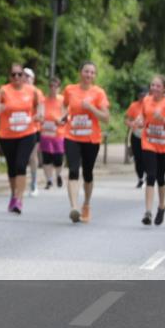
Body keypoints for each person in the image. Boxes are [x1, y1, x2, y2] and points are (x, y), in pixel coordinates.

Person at [61, 62, 110, 223]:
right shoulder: (70, 90)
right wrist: (63, 116)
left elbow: (105, 118)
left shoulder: (98, 93)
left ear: (94, 76)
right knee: (73, 170)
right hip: (72, 135)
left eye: (92, 72)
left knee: (87, 173)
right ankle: (74, 207)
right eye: (86, 71)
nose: (88, 75)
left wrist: (91, 108)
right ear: (80, 72)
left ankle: (86, 204)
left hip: (91, 138)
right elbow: (64, 105)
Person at [0, 63, 45, 214]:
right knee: (11, 167)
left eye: (20, 74)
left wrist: (40, 114)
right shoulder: (4, 90)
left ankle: (19, 199)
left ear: (24, 76)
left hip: (27, 133)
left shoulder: (32, 91)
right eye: (13, 74)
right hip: (7, 135)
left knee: (20, 165)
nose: (17, 77)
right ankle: (13, 194)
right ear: (10, 76)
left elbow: (40, 106)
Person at [133, 75, 165, 226]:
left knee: (160, 176)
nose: (154, 88)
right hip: (148, 143)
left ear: (164, 89)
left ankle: (161, 206)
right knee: (151, 175)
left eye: (158, 86)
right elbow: (142, 116)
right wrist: (139, 121)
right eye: (152, 85)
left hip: (164, 145)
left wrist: (164, 120)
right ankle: (148, 212)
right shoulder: (146, 100)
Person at [40, 76, 66, 190]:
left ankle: (59, 175)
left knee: (58, 158)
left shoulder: (62, 100)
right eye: (51, 86)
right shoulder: (43, 100)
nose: (53, 88)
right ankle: (49, 180)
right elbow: (40, 114)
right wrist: (41, 119)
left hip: (58, 133)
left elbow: (66, 115)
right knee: (47, 158)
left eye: (55, 86)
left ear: (59, 88)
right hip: (46, 133)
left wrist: (60, 120)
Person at [125, 88, 147, 188]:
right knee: (138, 158)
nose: (142, 98)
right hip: (136, 135)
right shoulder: (134, 106)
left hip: (148, 136)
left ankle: (147, 174)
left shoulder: (151, 105)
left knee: (146, 157)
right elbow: (127, 120)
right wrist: (131, 123)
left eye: (144, 96)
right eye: (140, 96)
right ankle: (140, 178)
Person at [24, 68, 41, 197]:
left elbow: (41, 112)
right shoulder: (14, 91)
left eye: (28, 76)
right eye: (23, 75)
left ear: (33, 79)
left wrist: (33, 118)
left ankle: (34, 183)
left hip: (33, 128)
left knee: (32, 156)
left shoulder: (36, 92)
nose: (25, 78)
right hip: (16, 130)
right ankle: (20, 184)